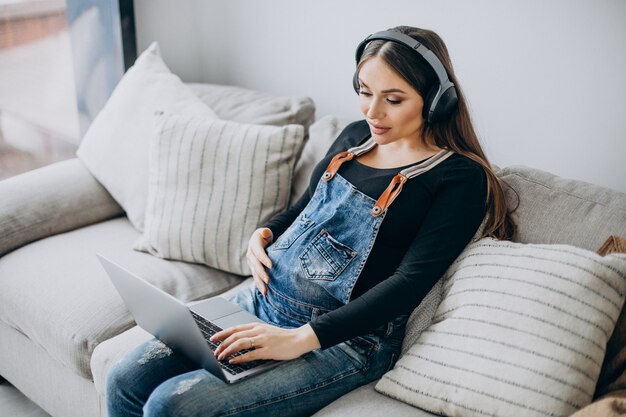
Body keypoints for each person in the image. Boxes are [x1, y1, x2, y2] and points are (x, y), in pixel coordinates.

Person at [106, 25, 516, 417]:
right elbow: (302, 209)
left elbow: (409, 283)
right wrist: (263, 233)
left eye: (393, 100)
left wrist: (298, 340)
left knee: (170, 407)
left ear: (436, 100)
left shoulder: (460, 178)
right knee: (124, 378)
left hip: (343, 343)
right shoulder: (355, 136)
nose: (373, 112)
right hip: (260, 302)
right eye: (365, 92)